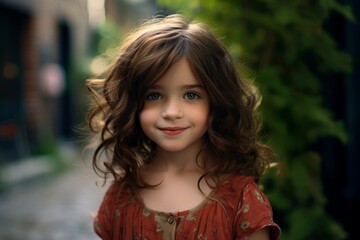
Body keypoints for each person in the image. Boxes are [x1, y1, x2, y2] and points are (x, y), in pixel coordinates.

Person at [86, 14, 281, 240]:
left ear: (216, 101)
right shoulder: (119, 197)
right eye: (154, 95)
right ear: (132, 104)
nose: (171, 112)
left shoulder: (241, 200)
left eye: (191, 95)